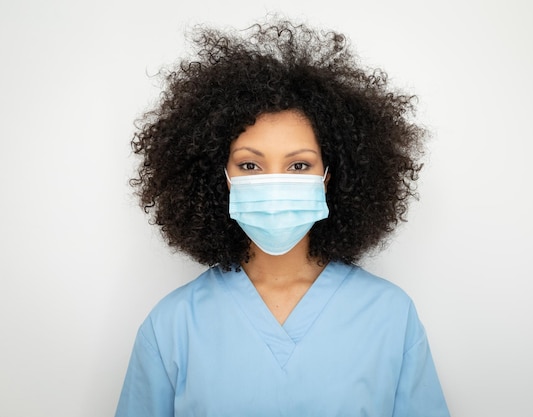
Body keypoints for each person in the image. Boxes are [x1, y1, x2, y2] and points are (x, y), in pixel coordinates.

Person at [115, 18, 450, 417]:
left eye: (298, 166)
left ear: (330, 177)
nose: (274, 184)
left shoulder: (391, 315)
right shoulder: (172, 325)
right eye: (250, 166)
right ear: (217, 177)